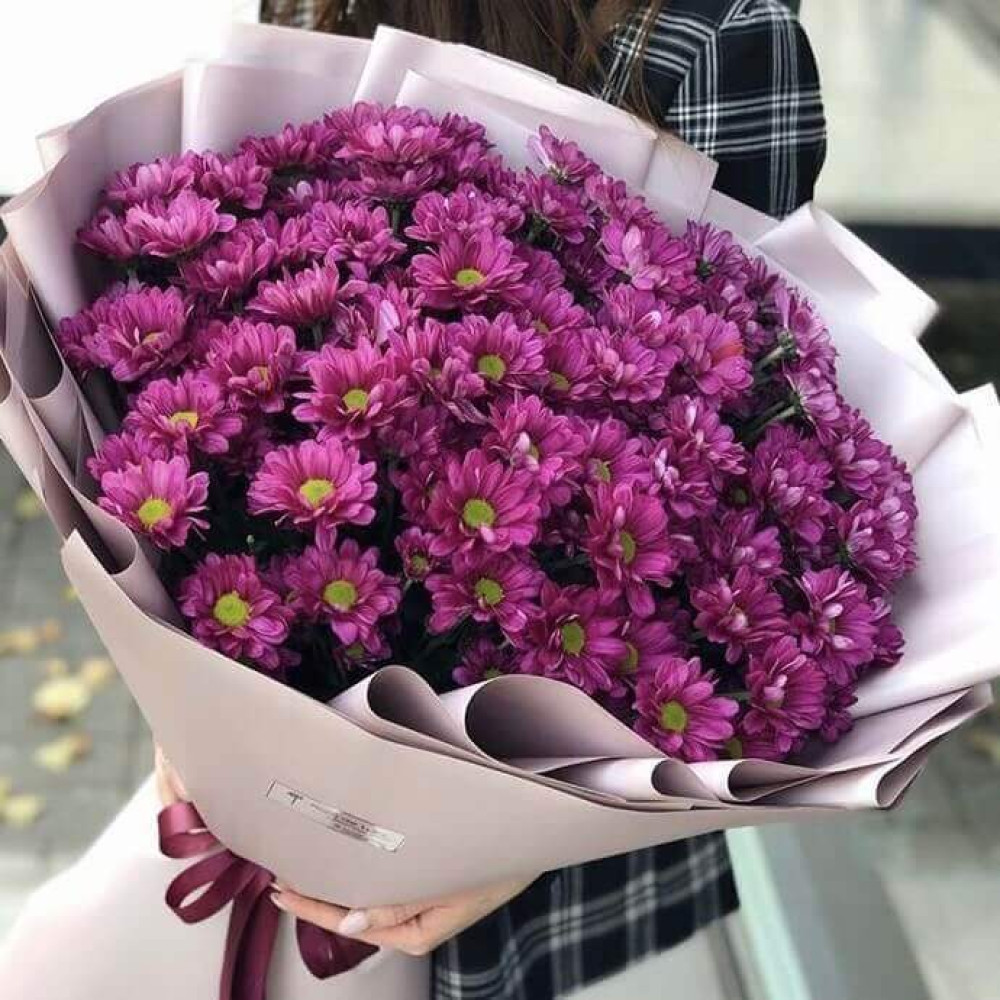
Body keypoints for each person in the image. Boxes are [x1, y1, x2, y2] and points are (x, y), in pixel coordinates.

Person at [159, 1, 827, 996]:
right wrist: (195, 724)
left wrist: (513, 843)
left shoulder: (718, 38)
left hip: (561, 862)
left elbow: (753, 450)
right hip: (282, 780)